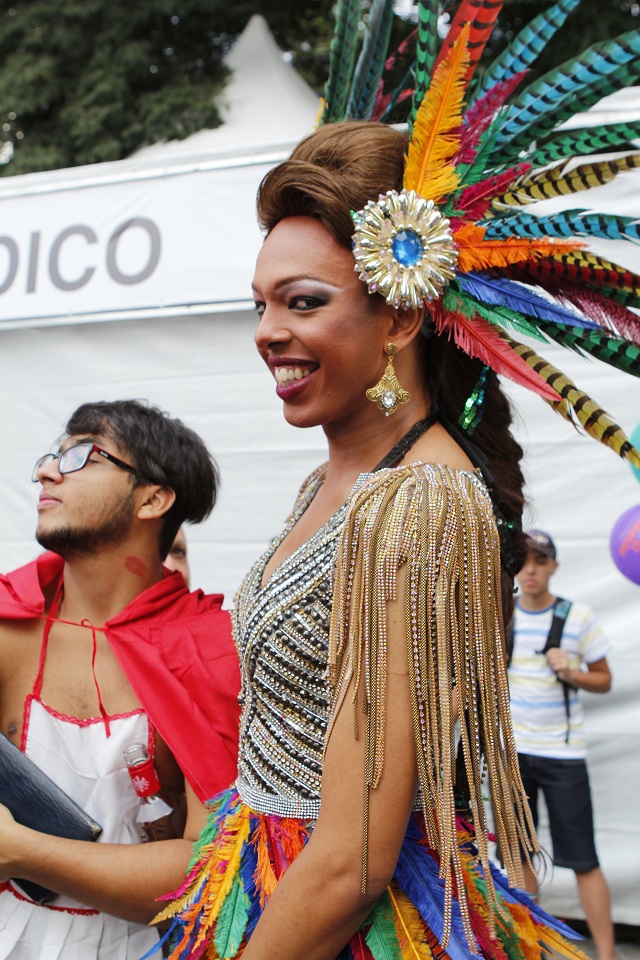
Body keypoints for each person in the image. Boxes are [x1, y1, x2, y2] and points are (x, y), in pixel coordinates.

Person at [160, 5, 640, 958]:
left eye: (304, 303)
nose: (266, 332)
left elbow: (352, 864)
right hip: (260, 892)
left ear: (403, 319)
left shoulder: (417, 502)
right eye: (260, 303)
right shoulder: (331, 481)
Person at [0, 400, 241, 959]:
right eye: (52, 455)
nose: (47, 471)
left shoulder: (212, 653)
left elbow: (211, 869)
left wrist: (20, 851)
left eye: (84, 453)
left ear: (153, 498)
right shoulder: (9, 620)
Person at [510, 530, 615, 960]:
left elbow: (605, 680)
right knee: (519, 856)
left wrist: (571, 672)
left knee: (583, 859)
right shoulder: (501, 615)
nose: (531, 569)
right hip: (512, 757)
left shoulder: (578, 617)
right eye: (524, 561)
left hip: (563, 756)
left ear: (554, 566)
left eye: (541, 560)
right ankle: (529, 950)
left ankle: (607, 954)